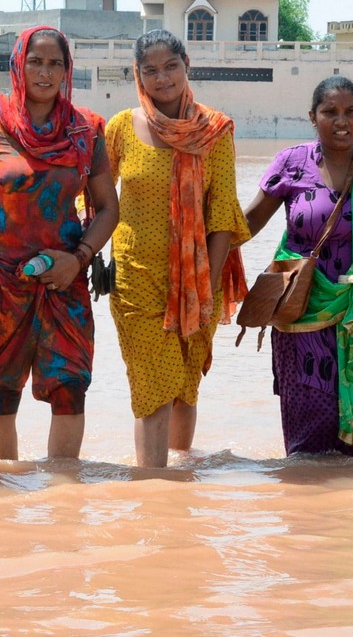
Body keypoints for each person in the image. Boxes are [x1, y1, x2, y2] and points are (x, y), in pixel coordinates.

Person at [0, 25, 118, 461]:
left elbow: (108, 208)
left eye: (54, 63)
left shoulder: (87, 130)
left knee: (70, 389)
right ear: (17, 64)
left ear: (66, 69)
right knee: (0, 392)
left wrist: (78, 259)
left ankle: (63, 504)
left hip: (64, 280)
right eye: (34, 61)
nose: (44, 72)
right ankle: (1, 508)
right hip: (0, 283)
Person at [243, 76, 353, 456]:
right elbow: (250, 222)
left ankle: (339, 513)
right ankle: (303, 508)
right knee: (304, 438)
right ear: (312, 117)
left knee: (346, 444)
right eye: (330, 112)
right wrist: (203, 245)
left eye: (350, 112)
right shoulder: (291, 163)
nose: (342, 121)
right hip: (302, 306)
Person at [104, 29, 250, 468]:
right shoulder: (121, 129)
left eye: (170, 66)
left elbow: (222, 211)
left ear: (187, 64)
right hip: (135, 278)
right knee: (153, 383)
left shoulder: (215, 131)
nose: (162, 78)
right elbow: (93, 195)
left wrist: (205, 289)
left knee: (186, 382)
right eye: (150, 70)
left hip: (196, 278)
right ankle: (152, 487)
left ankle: (181, 490)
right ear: (138, 75)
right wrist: (86, 251)